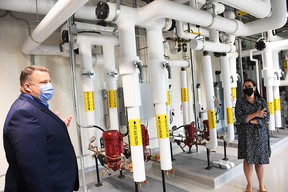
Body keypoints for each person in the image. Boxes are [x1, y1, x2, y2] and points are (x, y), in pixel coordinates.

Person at [3, 66, 79, 192]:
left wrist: (57, 126)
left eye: (49, 81)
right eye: (43, 82)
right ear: (27, 86)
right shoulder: (23, 113)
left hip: (58, 181)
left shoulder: (34, 105)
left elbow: (40, 134)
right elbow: (33, 168)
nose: (49, 86)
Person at [235, 79, 270, 192]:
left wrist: (249, 119)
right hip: (246, 135)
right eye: (245, 87)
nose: (247, 88)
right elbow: (239, 118)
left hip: (260, 135)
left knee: (259, 161)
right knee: (248, 160)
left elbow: (266, 118)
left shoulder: (262, 101)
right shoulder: (240, 102)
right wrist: (255, 115)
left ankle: (261, 185)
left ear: (254, 87)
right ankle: (249, 185)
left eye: (249, 86)